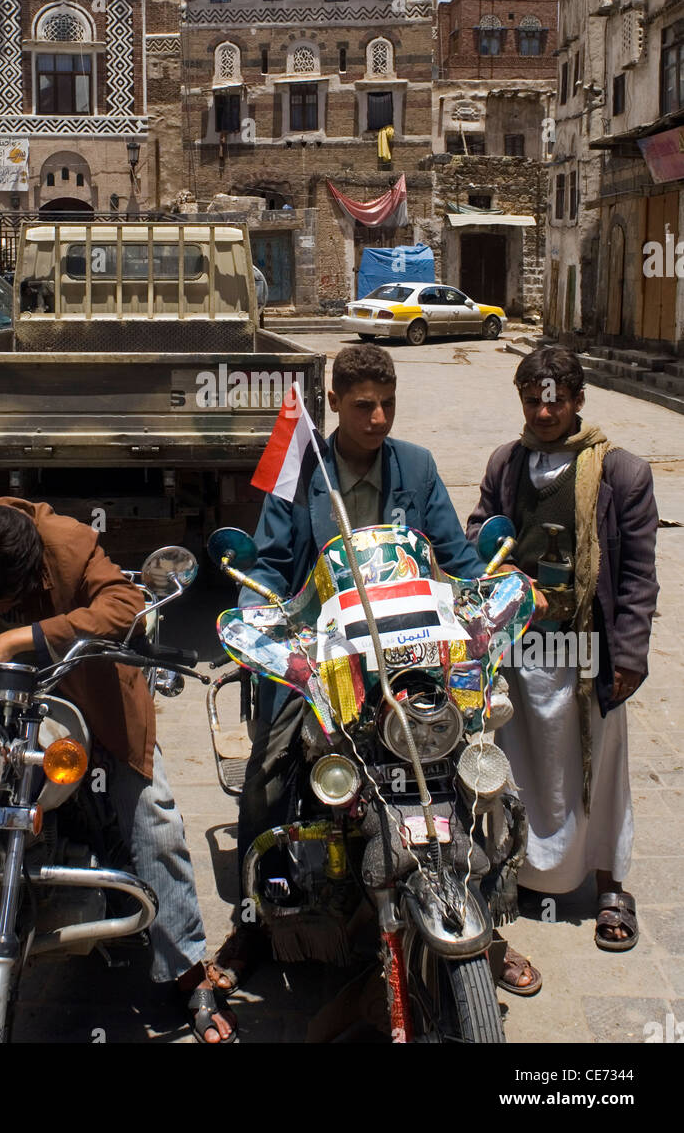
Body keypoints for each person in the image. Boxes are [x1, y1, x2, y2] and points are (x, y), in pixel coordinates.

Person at [208, 345, 538, 996]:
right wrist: (257, 619)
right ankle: (253, 918)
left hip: (407, 653)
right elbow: (270, 564)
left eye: (388, 404)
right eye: (363, 405)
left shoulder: (414, 465)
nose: (378, 418)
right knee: (268, 773)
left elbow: (455, 553)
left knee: (462, 760)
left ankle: (481, 918)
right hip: (326, 655)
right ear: (333, 403)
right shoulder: (300, 466)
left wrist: (491, 593)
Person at [0, 497, 236, 1044]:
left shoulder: (68, 542)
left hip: (80, 689)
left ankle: (187, 967)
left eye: (9, 598)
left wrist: (21, 636)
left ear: (34, 567)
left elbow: (126, 603)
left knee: (152, 813)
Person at [466, 346, 658, 953]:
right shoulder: (506, 464)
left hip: (589, 651)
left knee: (599, 769)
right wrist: (504, 579)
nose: (544, 413)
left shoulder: (620, 472)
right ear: (521, 399)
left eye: (556, 401)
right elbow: (479, 537)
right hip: (522, 651)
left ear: (577, 400)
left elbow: (637, 576)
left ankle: (609, 885)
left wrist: (628, 653)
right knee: (522, 764)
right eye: (533, 400)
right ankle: (529, 872)